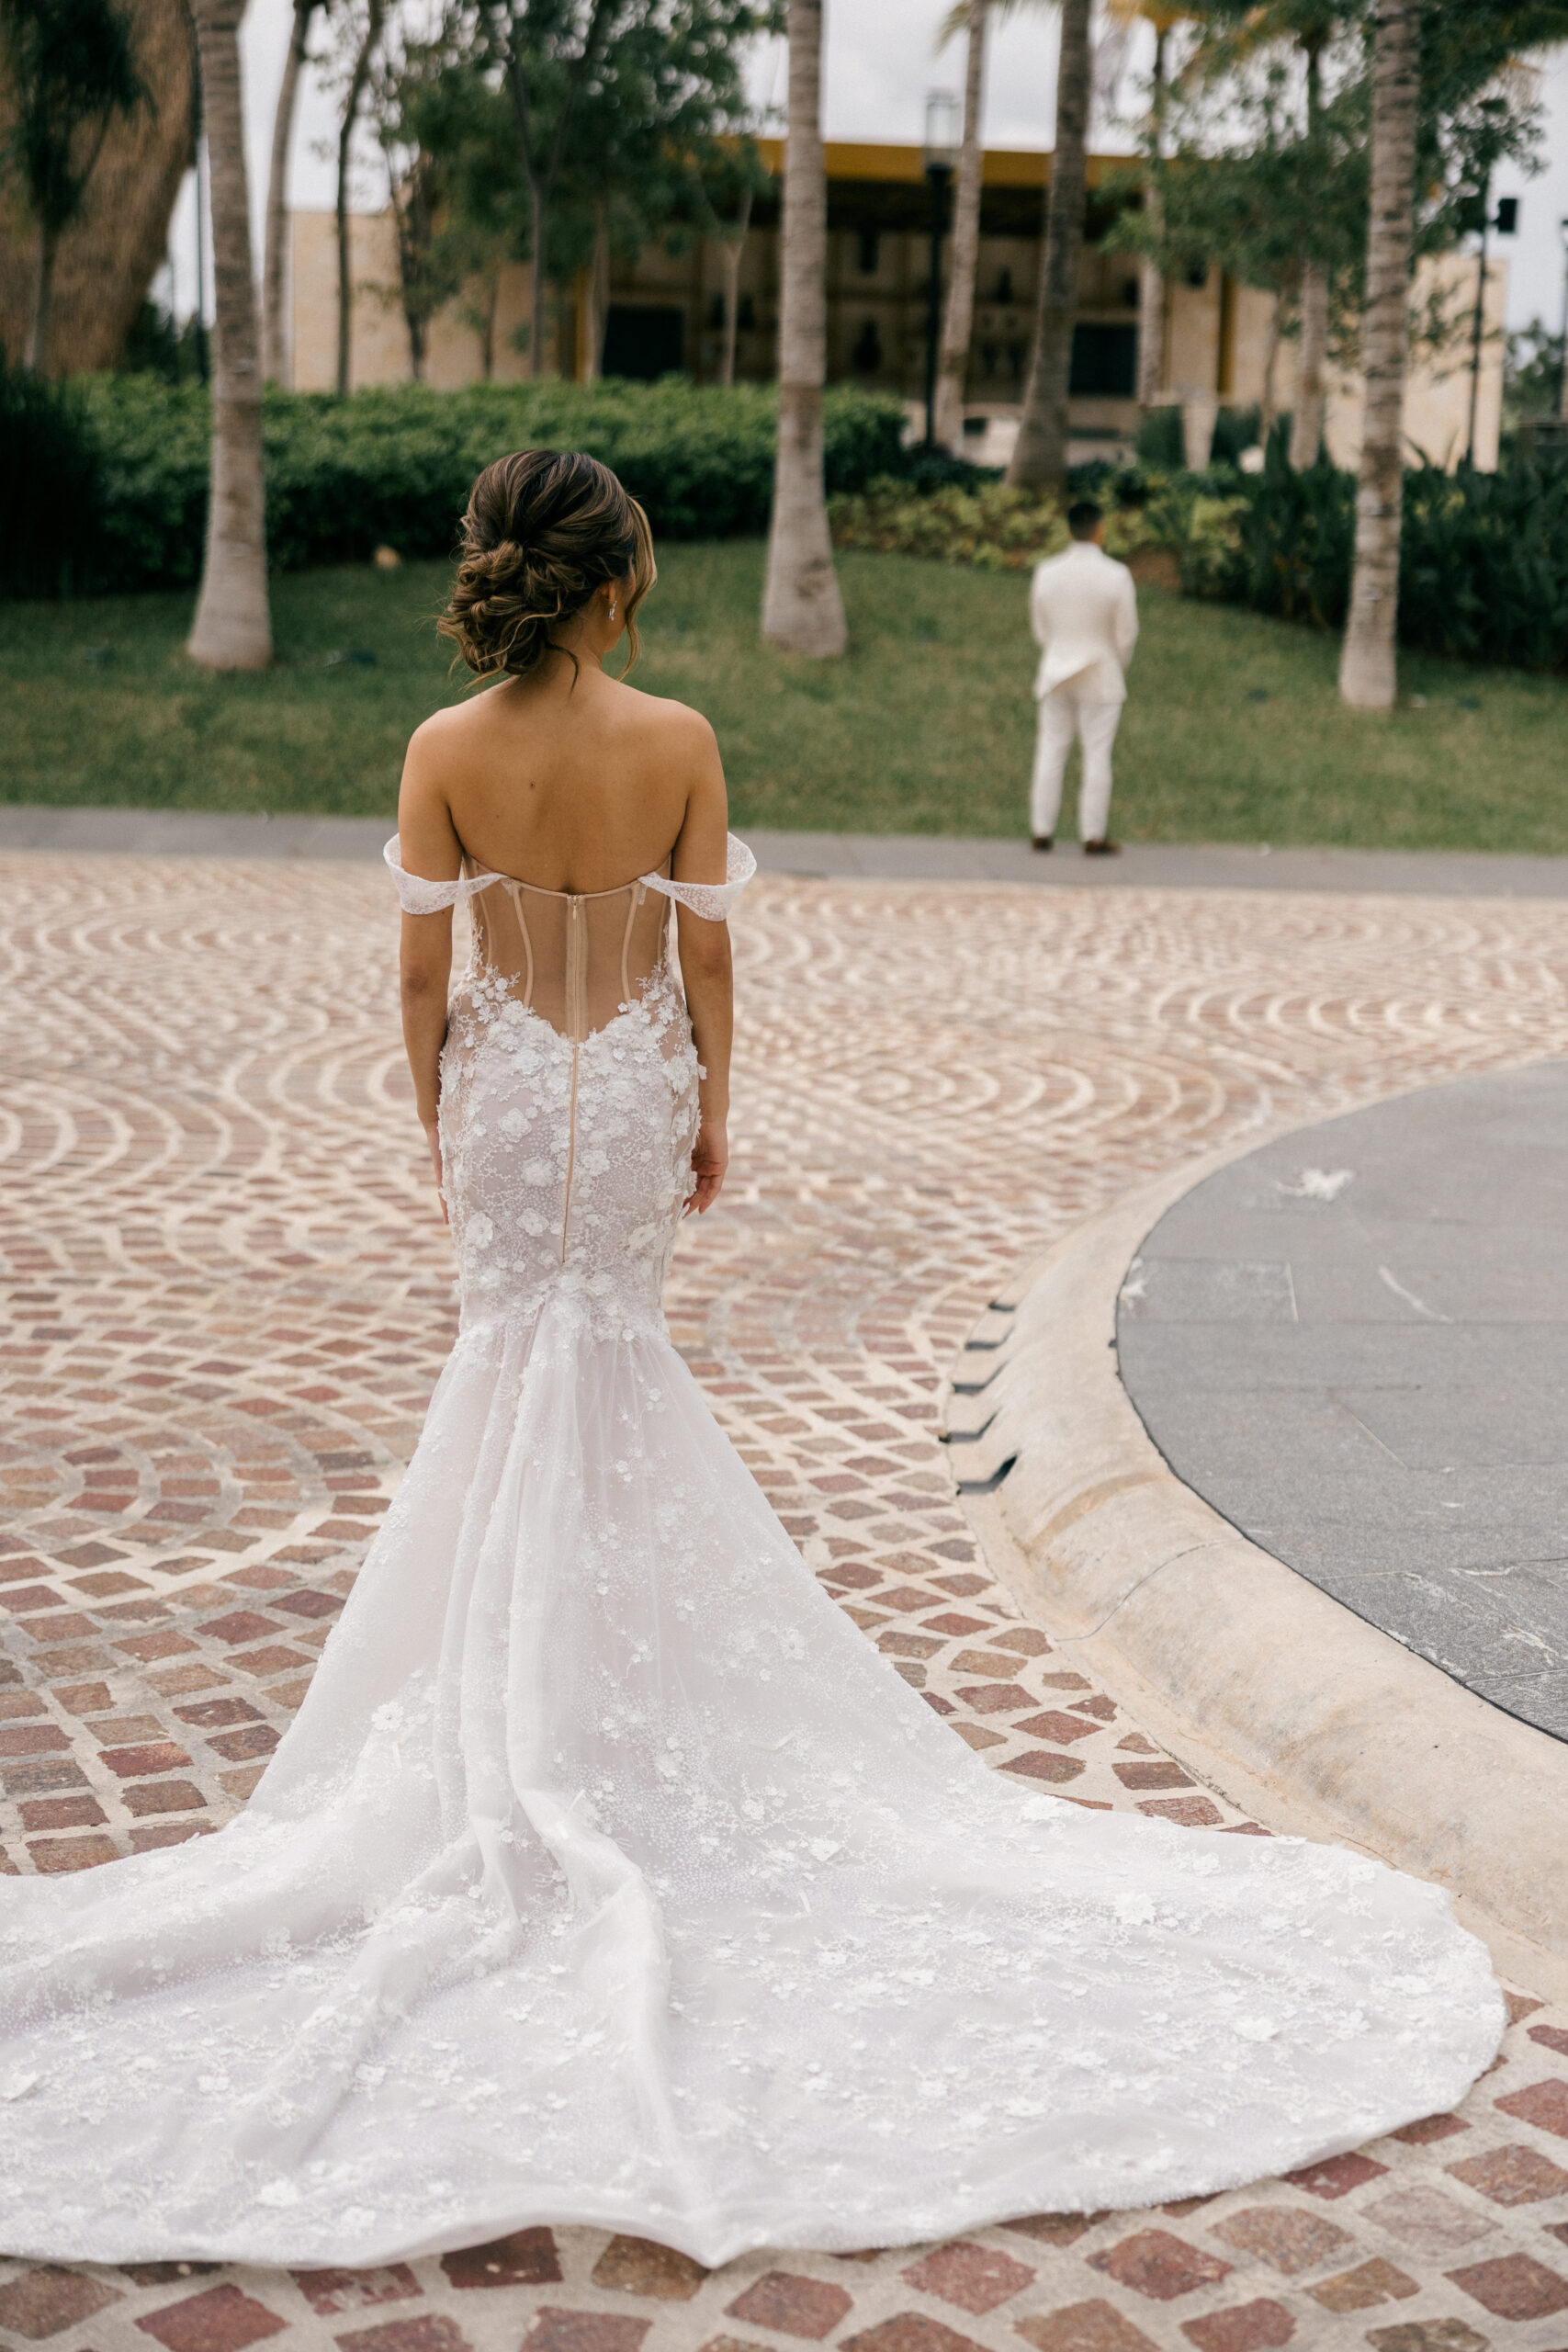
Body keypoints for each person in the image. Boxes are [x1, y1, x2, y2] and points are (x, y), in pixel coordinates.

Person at [0, 452, 1503, 2270]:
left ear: (503, 578)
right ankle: (608, 1717)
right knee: (611, 1366)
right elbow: (709, 963)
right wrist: (708, 1110)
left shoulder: (437, 746)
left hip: (501, 1093)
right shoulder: (683, 736)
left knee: (507, 1368)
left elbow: (419, 983)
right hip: (623, 1083)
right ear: (618, 581)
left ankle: (511, 1717)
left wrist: (442, 1114)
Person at [1029, 497, 1138, 854]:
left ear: (1069, 529)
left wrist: (1057, 650)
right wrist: (1116, 663)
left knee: (1050, 750)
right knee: (1096, 755)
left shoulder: (1046, 571)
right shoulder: (1116, 575)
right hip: (1100, 671)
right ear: (1100, 530)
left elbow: (1040, 627)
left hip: (1056, 670)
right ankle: (1093, 834)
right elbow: (1126, 633)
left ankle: (1042, 829)